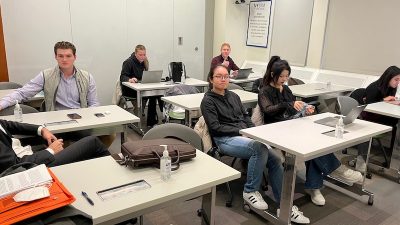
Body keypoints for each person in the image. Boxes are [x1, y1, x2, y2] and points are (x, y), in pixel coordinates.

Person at [201, 64, 310, 224]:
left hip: (245, 136)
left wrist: (255, 132)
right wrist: (242, 131)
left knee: (275, 160)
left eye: (226, 76)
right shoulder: (208, 101)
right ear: (211, 79)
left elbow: (245, 117)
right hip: (225, 139)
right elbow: (216, 127)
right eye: (219, 76)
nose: (223, 79)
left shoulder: (234, 96)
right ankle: (250, 190)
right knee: (258, 149)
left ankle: (284, 206)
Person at [258, 56, 363, 207]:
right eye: (281, 76)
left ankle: (315, 186)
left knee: (315, 143)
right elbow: (268, 111)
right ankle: (334, 172)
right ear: (273, 74)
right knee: (310, 143)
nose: (284, 79)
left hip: (293, 124)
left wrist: (305, 109)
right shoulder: (265, 91)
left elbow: (295, 106)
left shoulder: (286, 89)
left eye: (287, 76)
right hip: (276, 130)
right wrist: (289, 104)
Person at [0, 41, 99, 111]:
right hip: (56, 118)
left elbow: (94, 103)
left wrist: (87, 117)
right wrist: (1, 104)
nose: (64, 59)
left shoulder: (87, 77)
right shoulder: (46, 76)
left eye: (68, 56)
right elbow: (22, 93)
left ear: (75, 57)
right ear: (55, 57)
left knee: (108, 135)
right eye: (60, 56)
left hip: (81, 118)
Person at [0, 119, 110, 174]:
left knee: (60, 136)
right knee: (93, 142)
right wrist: (50, 151)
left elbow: (6, 124)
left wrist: (42, 130)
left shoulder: (85, 77)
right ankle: (113, 173)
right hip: (28, 168)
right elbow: (14, 166)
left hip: (23, 153)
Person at [357, 66, 400, 164]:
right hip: (368, 117)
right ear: (388, 78)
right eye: (396, 79)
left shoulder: (392, 87)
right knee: (394, 123)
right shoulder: (374, 87)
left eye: (399, 80)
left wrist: (392, 102)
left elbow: (389, 101)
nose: (398, 82)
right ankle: (362, 162)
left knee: (395, 122)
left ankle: (392, 157)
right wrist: (384, 100)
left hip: (380, 115)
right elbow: (369, 108)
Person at [120, 44, 162, 127]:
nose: (143, 57)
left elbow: (145, 75)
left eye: (144, 54)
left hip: (141, 88)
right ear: (135, 54)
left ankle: (152, 122)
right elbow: (123, 76)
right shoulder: (128, 62)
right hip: (130, 90)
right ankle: (142, 122)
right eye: (140, 55)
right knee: (152, 96)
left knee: (155, 95)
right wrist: (129, 79)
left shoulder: (145, 61)